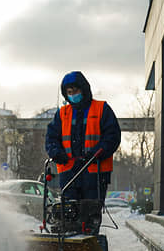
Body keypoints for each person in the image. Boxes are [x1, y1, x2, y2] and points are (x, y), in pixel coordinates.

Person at [45, 71, 121, 206]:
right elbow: (51, 137)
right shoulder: (62, 113)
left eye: (75, 90)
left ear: (84, 89)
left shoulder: (101, 109)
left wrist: (97, 153)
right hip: (69, 170)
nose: (73, 95)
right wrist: (56, 152)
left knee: (90, 211)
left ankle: (88, 226)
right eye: (69, 92)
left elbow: (112, 136)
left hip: (95, 171)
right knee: (69, 211)